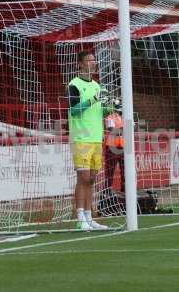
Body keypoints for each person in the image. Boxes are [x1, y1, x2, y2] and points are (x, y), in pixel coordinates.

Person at [68, 50, 111, 230]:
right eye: (89, 60)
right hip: (81, 137)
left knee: (92, 179)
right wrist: (93, 100)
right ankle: (80, 217)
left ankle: (88, 216)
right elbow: (74, 110)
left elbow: (99, 112)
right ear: (80, 64)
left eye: (94, 60)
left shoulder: (96, 85)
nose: (93, 63)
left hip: (95, 137)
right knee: (83, 177)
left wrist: (109, 108)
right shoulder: (74, 85)